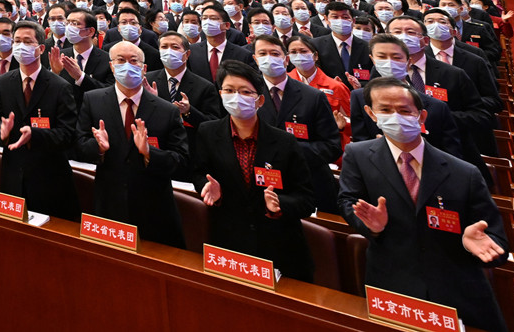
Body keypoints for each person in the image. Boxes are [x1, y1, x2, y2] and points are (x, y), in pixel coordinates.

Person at [338, 77, 510, 332]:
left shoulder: (464, 172)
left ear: (421, 116)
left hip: (456, 290)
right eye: (385, 110)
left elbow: (498, 243)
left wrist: (473, 246)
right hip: (392, 284)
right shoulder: (358, 156)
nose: (395, 117)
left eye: (404, 110)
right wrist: (371, 225)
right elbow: (347, 200)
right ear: (371, 114)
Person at [192, 59, 316, 282]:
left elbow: (306, 199)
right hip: (230, 244)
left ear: (259, 100)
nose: (236, 97)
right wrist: (208, 189)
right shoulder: (208, 133)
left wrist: (280, 205)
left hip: (279, 249)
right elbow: (199, 174)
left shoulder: (284, 142)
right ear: (221, 94)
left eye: (244, 91)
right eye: (229, 90)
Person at [74, 41, 190, 247]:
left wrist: (149, 153)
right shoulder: (93, 100)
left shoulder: (167, 110)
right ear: (111, 66)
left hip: (154, 210)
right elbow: (79, 145)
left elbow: (181, 161)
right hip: (109, 204)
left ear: (144, 68)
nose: (127, 65)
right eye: (120, 60)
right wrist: (98, 148)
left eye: (133, 61)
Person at [0, 20, 81, 220]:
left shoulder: (59, 86)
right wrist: (0, 132)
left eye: (27, 41)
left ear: (40, 48)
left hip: (49, 178)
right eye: (17, 41)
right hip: (13, 175)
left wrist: (34, 135)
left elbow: (68, 134)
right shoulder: (3, 82)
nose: (20, 46)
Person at [251, 35, 342, 212]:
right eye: (263, 53)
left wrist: (289, 149)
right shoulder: (249, 95)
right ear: (255, 58)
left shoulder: (313, 96)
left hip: (308, 182)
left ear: (286, 59)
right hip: (263, 182)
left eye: (275, 53)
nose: (269, 58)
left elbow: (332, 147)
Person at [348, 35, 465, 159]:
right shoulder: (359, 97)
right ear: (372, 59)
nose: (389, 62)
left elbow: (451, 154)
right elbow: (360, 140)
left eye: (396, 57)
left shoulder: (437, 106)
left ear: (408, 61)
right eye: (382, 57)